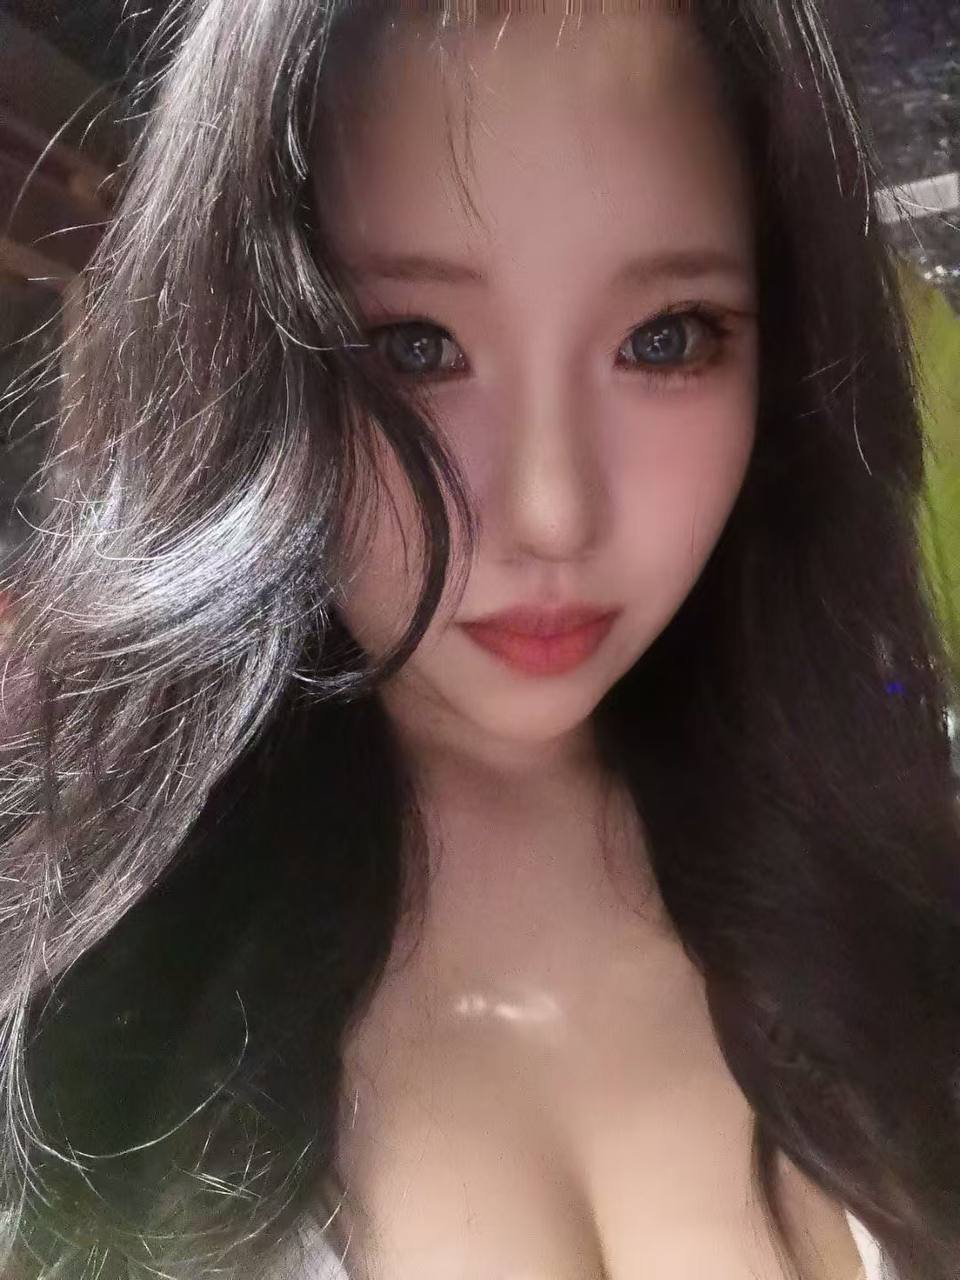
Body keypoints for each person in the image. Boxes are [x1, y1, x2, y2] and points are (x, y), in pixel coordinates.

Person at [0, 2, 957, 1278]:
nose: (554, 511)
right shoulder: (72, 997)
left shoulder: (884, 892)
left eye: (666, 338)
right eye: (415, 347)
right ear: (239, 356)